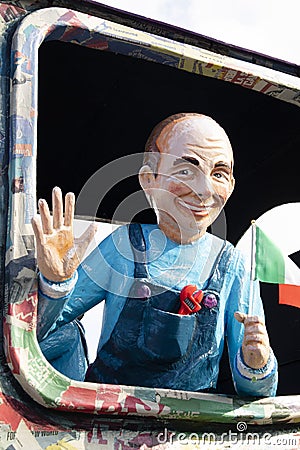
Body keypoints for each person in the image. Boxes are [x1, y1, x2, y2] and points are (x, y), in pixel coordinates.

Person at [33, 113, 278, 396]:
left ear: (231, 186)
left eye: (219, 174)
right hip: (107, 415)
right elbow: (42, 332)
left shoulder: (232, 264)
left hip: (188, 425)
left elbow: (258, 393)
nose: (204, 190)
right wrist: (55, 283)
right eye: (186, 171)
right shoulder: (123, 245)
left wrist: (256, 363)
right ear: (149, 179)